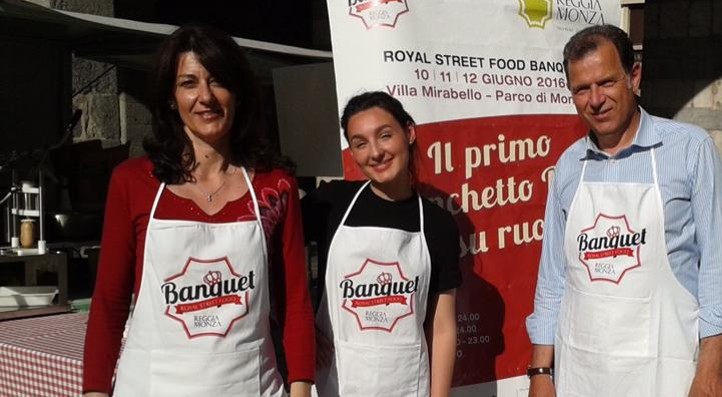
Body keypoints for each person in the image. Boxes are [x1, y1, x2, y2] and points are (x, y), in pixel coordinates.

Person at [82, 24, 314, 397]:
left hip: (251, 387)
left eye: (218, 81)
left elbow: (295, 303)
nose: (205, 97)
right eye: (189, 83)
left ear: (237, 92)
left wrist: (301, 390)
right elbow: (109, 302)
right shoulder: (133, 182)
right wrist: (95, 391)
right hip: (152, 386)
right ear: (171, 98)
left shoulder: (275, 186)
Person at [526, 25, 722, 397]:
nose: (595, 100)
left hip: (666, 372)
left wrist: (710, 372)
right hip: (582, 373)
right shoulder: (568, 166)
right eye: (582, 89)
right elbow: (553, 279)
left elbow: (718, 272)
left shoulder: (689, 150)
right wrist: (541, 372)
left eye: (607, 82)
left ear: (634, 76)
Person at [304, 91, 460, 397]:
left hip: (406, 385)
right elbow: (268, 246)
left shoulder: (438, 223)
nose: (375, 152)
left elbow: (442, 327)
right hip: (336, 383)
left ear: (409, 132)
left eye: (385, 135)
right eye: (360, 143)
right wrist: (298, 325)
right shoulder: (330, 204)